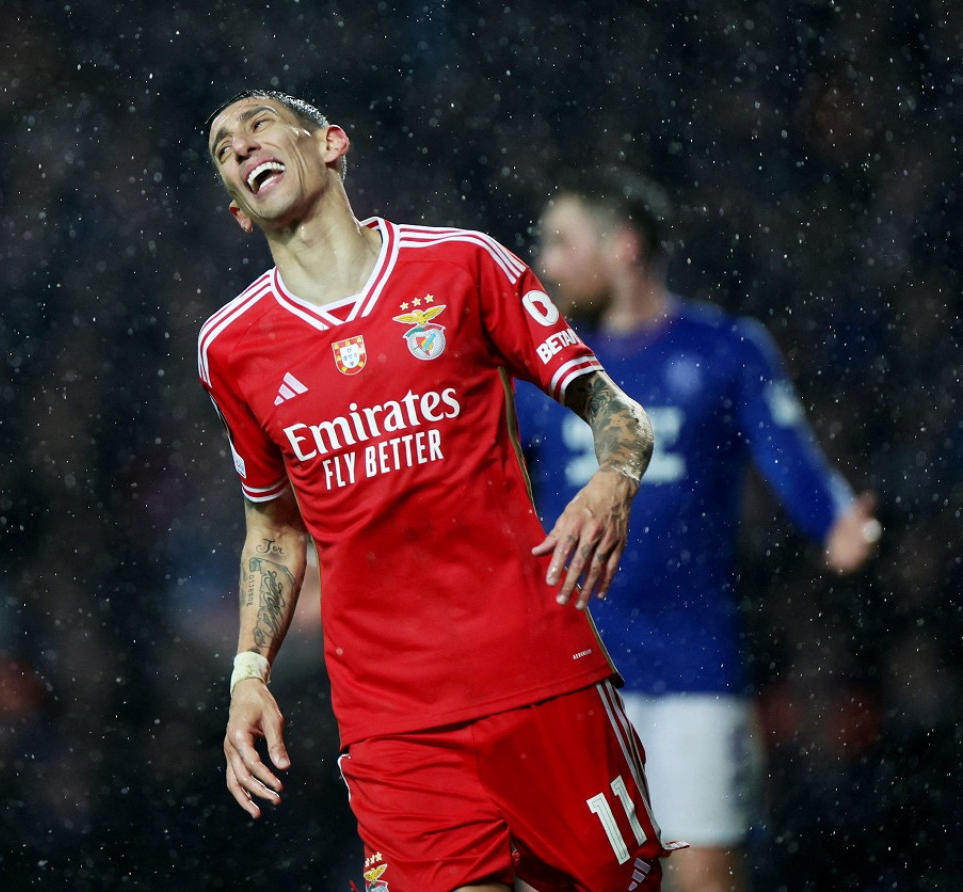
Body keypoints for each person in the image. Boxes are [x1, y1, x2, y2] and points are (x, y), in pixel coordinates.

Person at [197, 89, 684, 892]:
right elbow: (274, 528)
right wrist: (250, 672)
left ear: (330, 145)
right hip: (392, 720)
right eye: (224, 150)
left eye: (258, 128)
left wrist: (614, 477)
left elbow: (610, 404)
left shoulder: (461, 265)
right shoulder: (231, 348)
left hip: (537, 673)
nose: (242, 148)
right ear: (240, 214)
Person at [513, 169, 880, 892]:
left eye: (561, 241)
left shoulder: (723, 349)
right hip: (572, 672)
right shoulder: (542, 367)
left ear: (623, 247)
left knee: (703, 875)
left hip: (693, 664)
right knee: (573, 878)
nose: (544, 264)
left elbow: (787, 452)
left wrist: (833, 518)